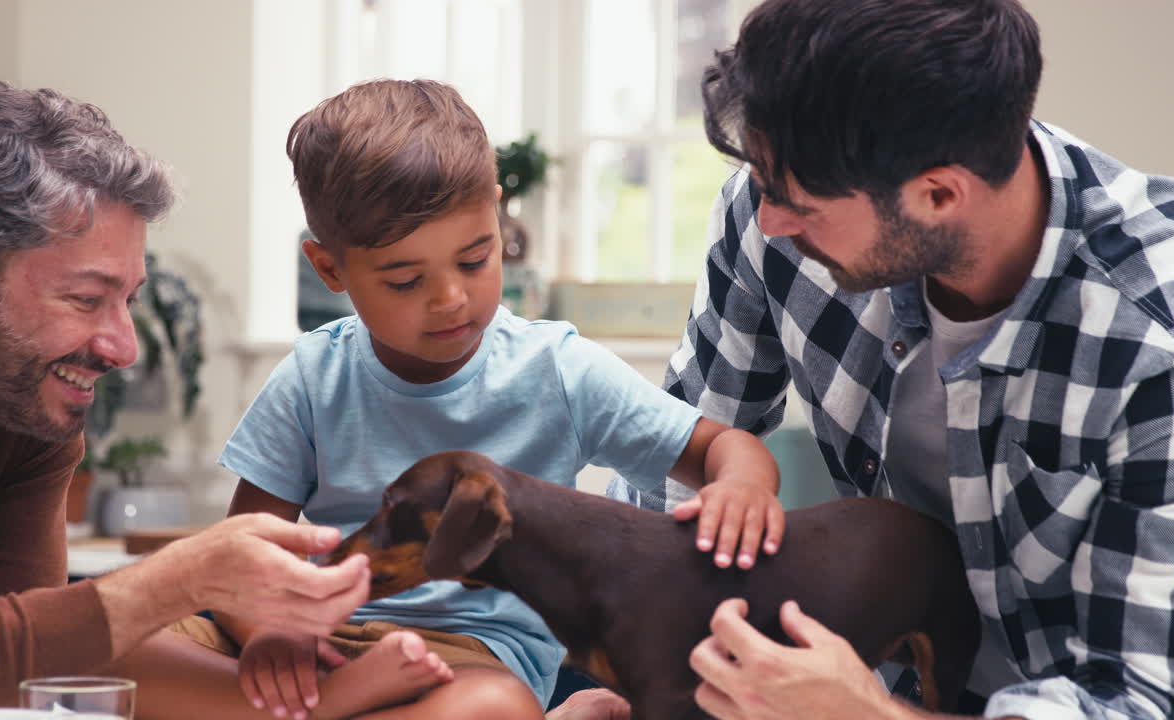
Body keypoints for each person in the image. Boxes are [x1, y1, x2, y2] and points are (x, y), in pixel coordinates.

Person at [603, 0, 1174, 717]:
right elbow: (674, 461)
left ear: (939, 194)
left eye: (798, 203)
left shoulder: (1165, 342)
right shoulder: (774, 217)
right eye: (763, 185)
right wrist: (618, 682)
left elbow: (1147, 701)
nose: (768, 220)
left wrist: (867, 714)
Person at [203, 78, 785, 720]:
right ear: (331, 269)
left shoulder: (557, 369)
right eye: (405, 280)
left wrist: (744, 488)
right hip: (322, 642)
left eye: (476, 260)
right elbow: (236, 556)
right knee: (130, 646)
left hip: (470, 659)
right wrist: (270, 633)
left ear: (498, 217)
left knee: (491, 708)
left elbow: (724, 447)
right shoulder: (313, 376)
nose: (450, 298)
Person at [0, 81, 384, 718]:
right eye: (86, 299)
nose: (122, 348)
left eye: (129, 301)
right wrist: (176, 580)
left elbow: (28, 664)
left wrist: (331, 705)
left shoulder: (17, 418)